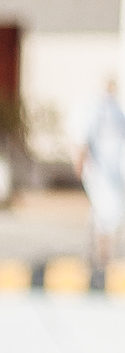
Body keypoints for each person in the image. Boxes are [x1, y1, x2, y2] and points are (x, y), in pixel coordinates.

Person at [72, 79, 125, 268]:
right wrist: (80, 163)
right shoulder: (98, 112)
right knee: (105, 216)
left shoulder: (117, 113)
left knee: (105, 216)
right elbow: (85, 139)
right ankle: (101, 260)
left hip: (112, 175)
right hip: (101, 174)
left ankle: (101, 258)